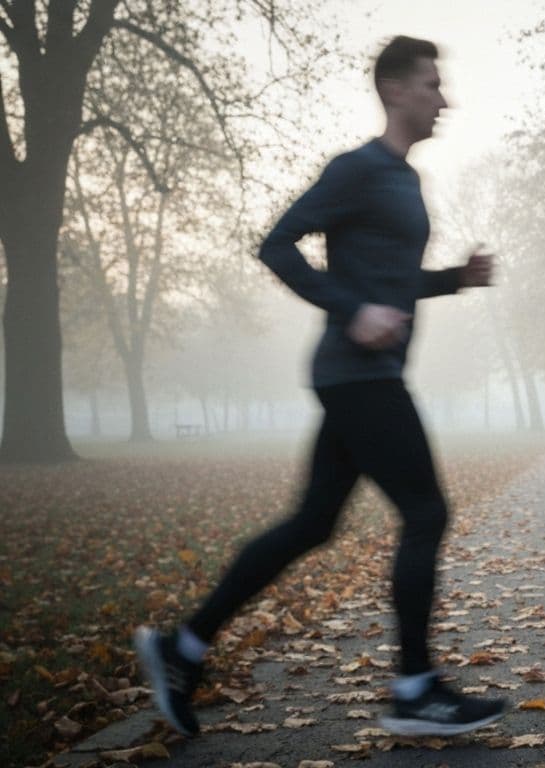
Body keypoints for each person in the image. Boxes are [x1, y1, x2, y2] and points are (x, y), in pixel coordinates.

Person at [134, 35, 507, 739]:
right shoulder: (357, 169)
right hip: (357, 376)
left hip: (364, 376)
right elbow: (277, 243)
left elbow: (391, 285)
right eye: (432, 84)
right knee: (426, 513)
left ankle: (182, 648)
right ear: (396, 90)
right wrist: (350, 311)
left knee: (313, 524)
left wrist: (454, 278)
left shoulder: (406, 182)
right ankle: (415, 689)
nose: (443, 98)